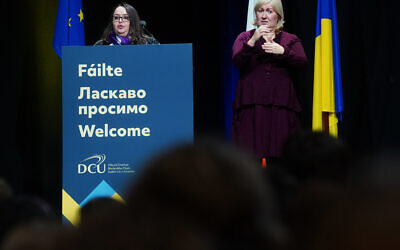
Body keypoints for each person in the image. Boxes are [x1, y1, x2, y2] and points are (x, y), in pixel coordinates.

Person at [231, 0, 307, 163]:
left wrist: (283, 51)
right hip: (251, 103)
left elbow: (302, 62)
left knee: (282, 153)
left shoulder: (290, 39)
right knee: (249, 154)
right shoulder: (244, 37)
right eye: (260, 11)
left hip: (280, 104)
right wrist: (252, 41)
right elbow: (236, 61)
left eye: (269, 11)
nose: (264, 15)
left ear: (278, 16)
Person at [94, 3, 159, 45]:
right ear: (112, 21)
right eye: (116, 17)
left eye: (125, 17)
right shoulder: (101, 45)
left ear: (133, 21)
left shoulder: (148, 43)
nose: (120, 21)